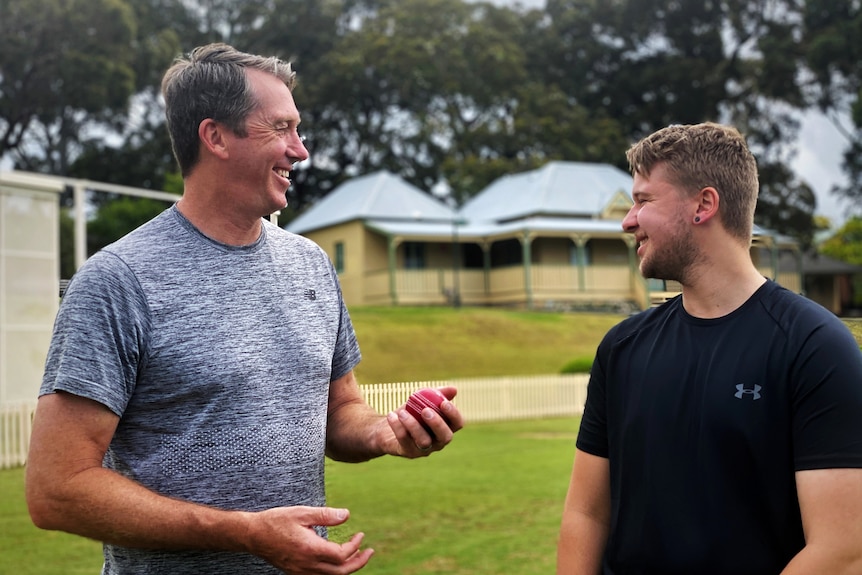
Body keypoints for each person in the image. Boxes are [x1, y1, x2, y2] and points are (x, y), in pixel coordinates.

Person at [25, 43, 464, 575]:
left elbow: (339, 410)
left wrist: (383, 434)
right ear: (214, 137)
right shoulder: (118, 281)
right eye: (280, 128)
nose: (299, 150)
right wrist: (246, 533)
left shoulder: (311, 265)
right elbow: (57, 489)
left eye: (298, 130)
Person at [556, 122, 862, 574]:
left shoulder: (815, 347)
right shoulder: (621, 348)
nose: (627, 220)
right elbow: (586, 515)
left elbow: (842, 551)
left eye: (643, 201)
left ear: (703, 205)